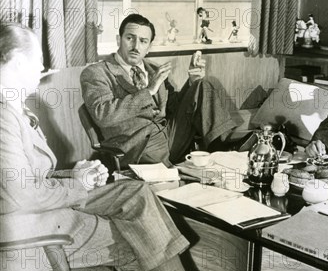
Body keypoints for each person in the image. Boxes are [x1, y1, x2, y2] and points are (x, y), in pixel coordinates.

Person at [0, 22, 250, 271]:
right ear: (16, 65)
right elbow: (24, 194)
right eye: (38, 65)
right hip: (28, 238)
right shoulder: (4, 116)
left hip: (43, 210)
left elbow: (24, 180)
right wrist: (75, 184)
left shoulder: (15, 107)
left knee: (134, 193)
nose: (43, 73)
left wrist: (74, 173)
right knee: (141, 236)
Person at [80, 14, 242, 167]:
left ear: (149, 47)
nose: (136, 47)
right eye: (130, 38)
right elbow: (103, 115)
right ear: (118, 39)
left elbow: (174, 107)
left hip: (171, 137)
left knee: (203, 85)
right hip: (138, 147)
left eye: (143, 41)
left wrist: (192, 82)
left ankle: (223, 152)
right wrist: (149, 90)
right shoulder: (96, 72)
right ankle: (223, 158)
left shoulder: (154, 69)